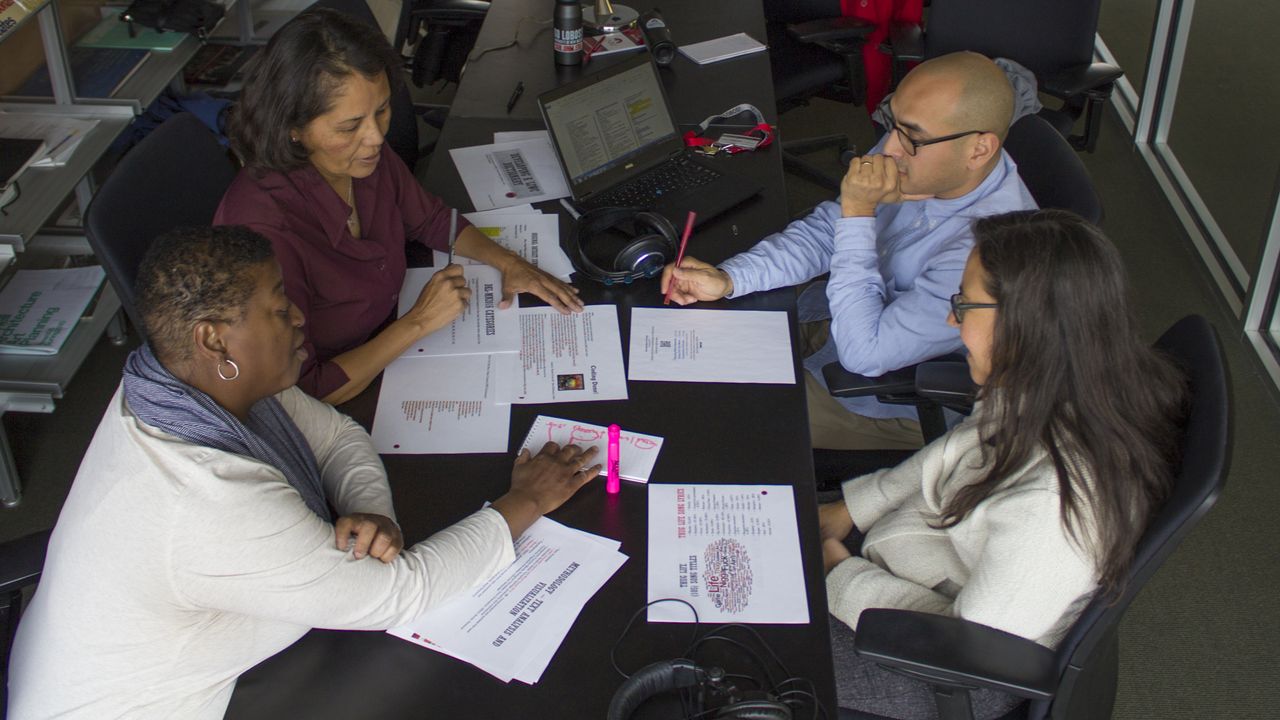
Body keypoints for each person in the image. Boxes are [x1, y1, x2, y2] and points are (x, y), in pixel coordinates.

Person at [6, 226, 601, 720]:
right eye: (276, 307)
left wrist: (373, 518)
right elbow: (402, 594)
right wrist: (525, 502)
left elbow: (341, 437)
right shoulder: (206, 499)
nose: (297, 318)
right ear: (214, 339)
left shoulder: (186, 386)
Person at [818, 210, 1187, 718]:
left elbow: (968, 643)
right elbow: (960, 449)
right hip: (912, 564)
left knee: (727, 641)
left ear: (1026, 322)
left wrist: (839, 571)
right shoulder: (1059, 386)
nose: (953, 319)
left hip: (941, 667)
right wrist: (848, 510)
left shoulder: (1055, 506)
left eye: (965, 304)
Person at [662, 52, 1037, 450]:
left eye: (911, 136)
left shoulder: (988, 247)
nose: (888, 146)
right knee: (687, 351)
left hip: (888, 390)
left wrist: (860, 212)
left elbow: (866, 353)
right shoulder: (912, 150)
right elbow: (828, 231)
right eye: (891, 121)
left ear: (979, 149)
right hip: (837, 313)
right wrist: (731, 278)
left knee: (708, 414)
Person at [215, 8, 584, 405]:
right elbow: (304, 392)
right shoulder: (265, 235)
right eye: (349, 126)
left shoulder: (359, 158)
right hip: (348, 393)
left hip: (393, 340)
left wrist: (509, 262)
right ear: (293, 129)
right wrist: (420, 321)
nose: (375, 137)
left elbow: (431, 219)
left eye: (383, 110)